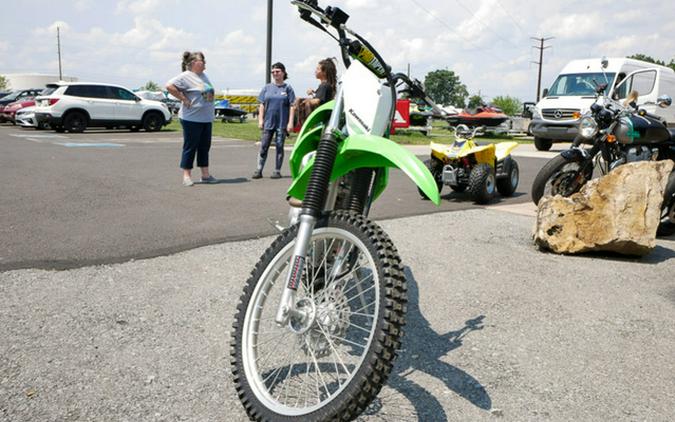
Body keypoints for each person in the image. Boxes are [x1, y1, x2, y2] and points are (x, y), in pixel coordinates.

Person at [166, 51, 216, 187]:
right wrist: (184, 99)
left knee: (204, 147)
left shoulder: (204, 76)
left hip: (206, 118)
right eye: (202, 60)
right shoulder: (186, 76)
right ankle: (186, 175)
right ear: (193, 63)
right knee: (190, 146)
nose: (205, 63)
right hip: (191, 118)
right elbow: (169, 86)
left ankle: (205, 175)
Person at [253, 62, 296, 179]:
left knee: (279, 146)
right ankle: (259, 170)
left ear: (283, 73)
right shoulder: (267, 88)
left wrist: (290, 123)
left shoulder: (288, 88)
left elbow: (292, 106)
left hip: (282, 123)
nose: (275, 74)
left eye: (277, 71)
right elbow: (261, 104)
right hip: (268, 122)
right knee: (264, 146)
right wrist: (260, 120)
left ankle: (277, 170)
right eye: (273, 72)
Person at [295, 58, 337, 127]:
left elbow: (317, 101)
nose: (315, 71)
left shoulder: (324, 85)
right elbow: (322, 100)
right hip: (324, 119)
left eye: (318, 69)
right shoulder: (327, 85)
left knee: (297, 99)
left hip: (320, 121)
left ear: (324, 72)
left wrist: (303, 101)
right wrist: (313, 94)